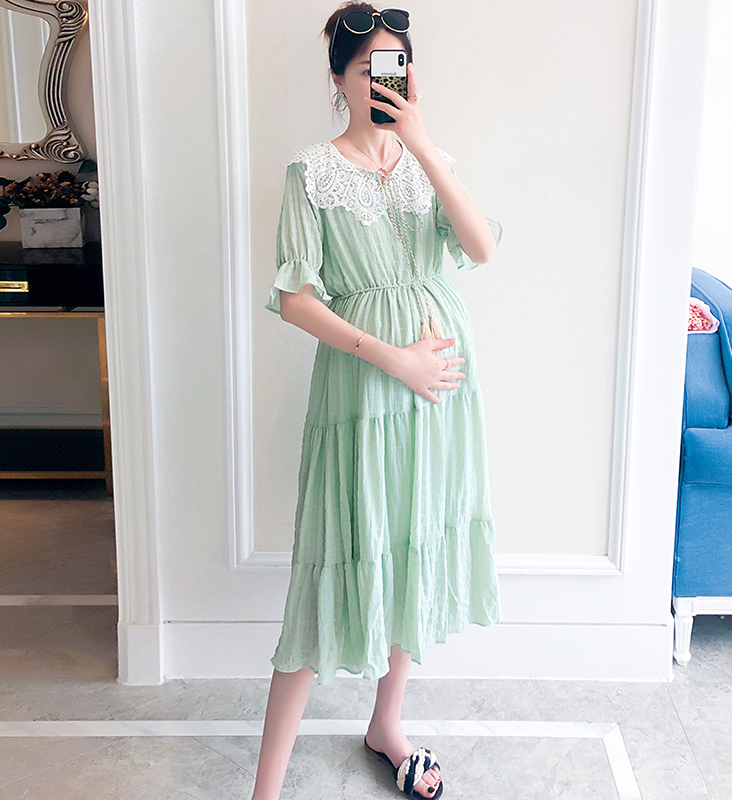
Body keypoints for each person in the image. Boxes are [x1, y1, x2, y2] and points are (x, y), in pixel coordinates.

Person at [253, 3, 503, 799]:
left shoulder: (431, 159)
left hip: (441, 391)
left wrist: (422, 143)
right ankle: (265, 789)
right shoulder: (311, 172)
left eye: (395, 67)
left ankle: (386, 725)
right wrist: (395, 359)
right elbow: (295, 298)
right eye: (367, 69)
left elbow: (480, 247)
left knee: (413, 541)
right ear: (338, 79)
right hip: (366, 385)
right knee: (331, 559)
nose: (382, 82)